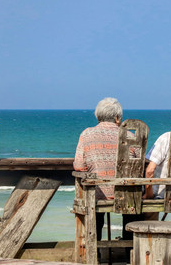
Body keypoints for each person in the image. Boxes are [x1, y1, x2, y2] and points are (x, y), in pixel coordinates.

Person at [73, 97, 123, 242]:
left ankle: (96, 252)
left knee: (95, 214)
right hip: (125, 193)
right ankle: (129, 253)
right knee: (134, 212)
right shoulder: (129, 135)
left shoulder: (86, 134)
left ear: (98, 116)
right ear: (117, 118)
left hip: (96, 193)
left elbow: (79, 166)